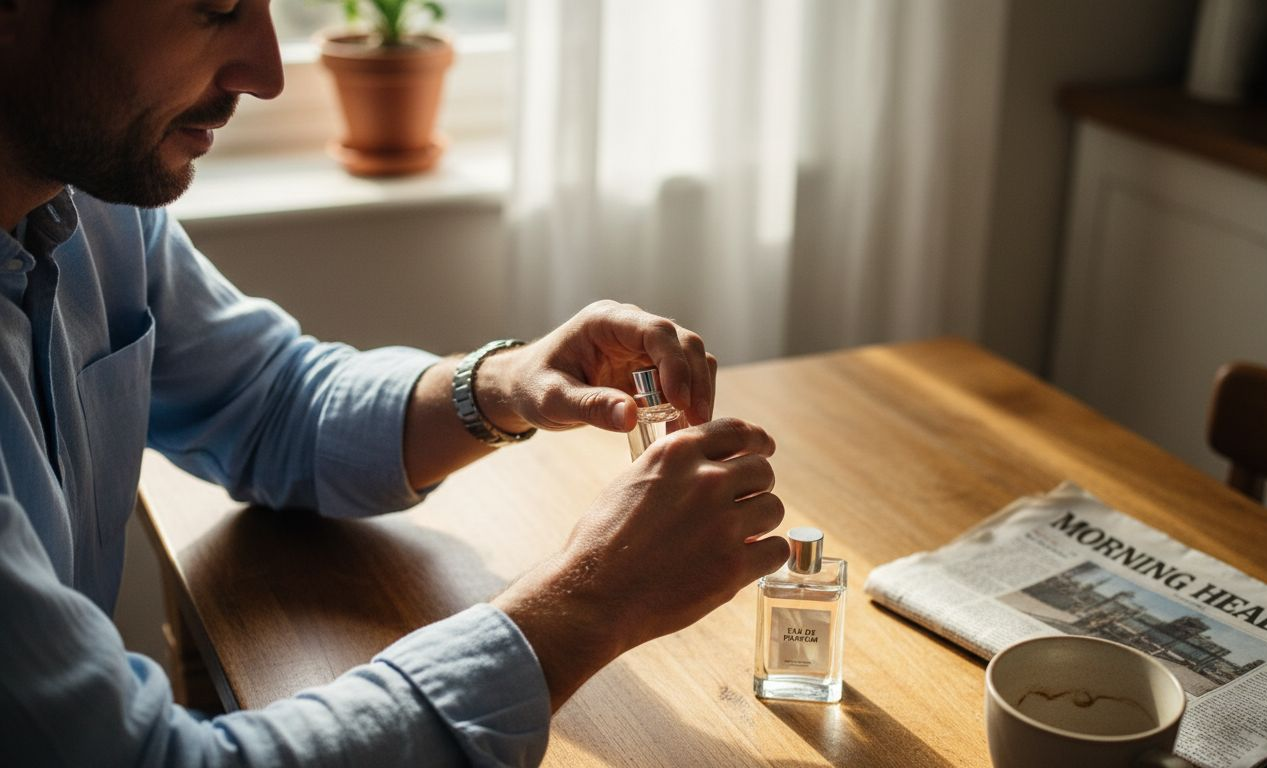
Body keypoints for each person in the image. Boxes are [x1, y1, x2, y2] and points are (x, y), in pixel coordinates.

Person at [0, 0, 789, 764]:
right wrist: (589, 600)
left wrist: (502, 384)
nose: (269, 73)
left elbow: (270, 401)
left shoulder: (96, 203)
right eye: (215, 9)